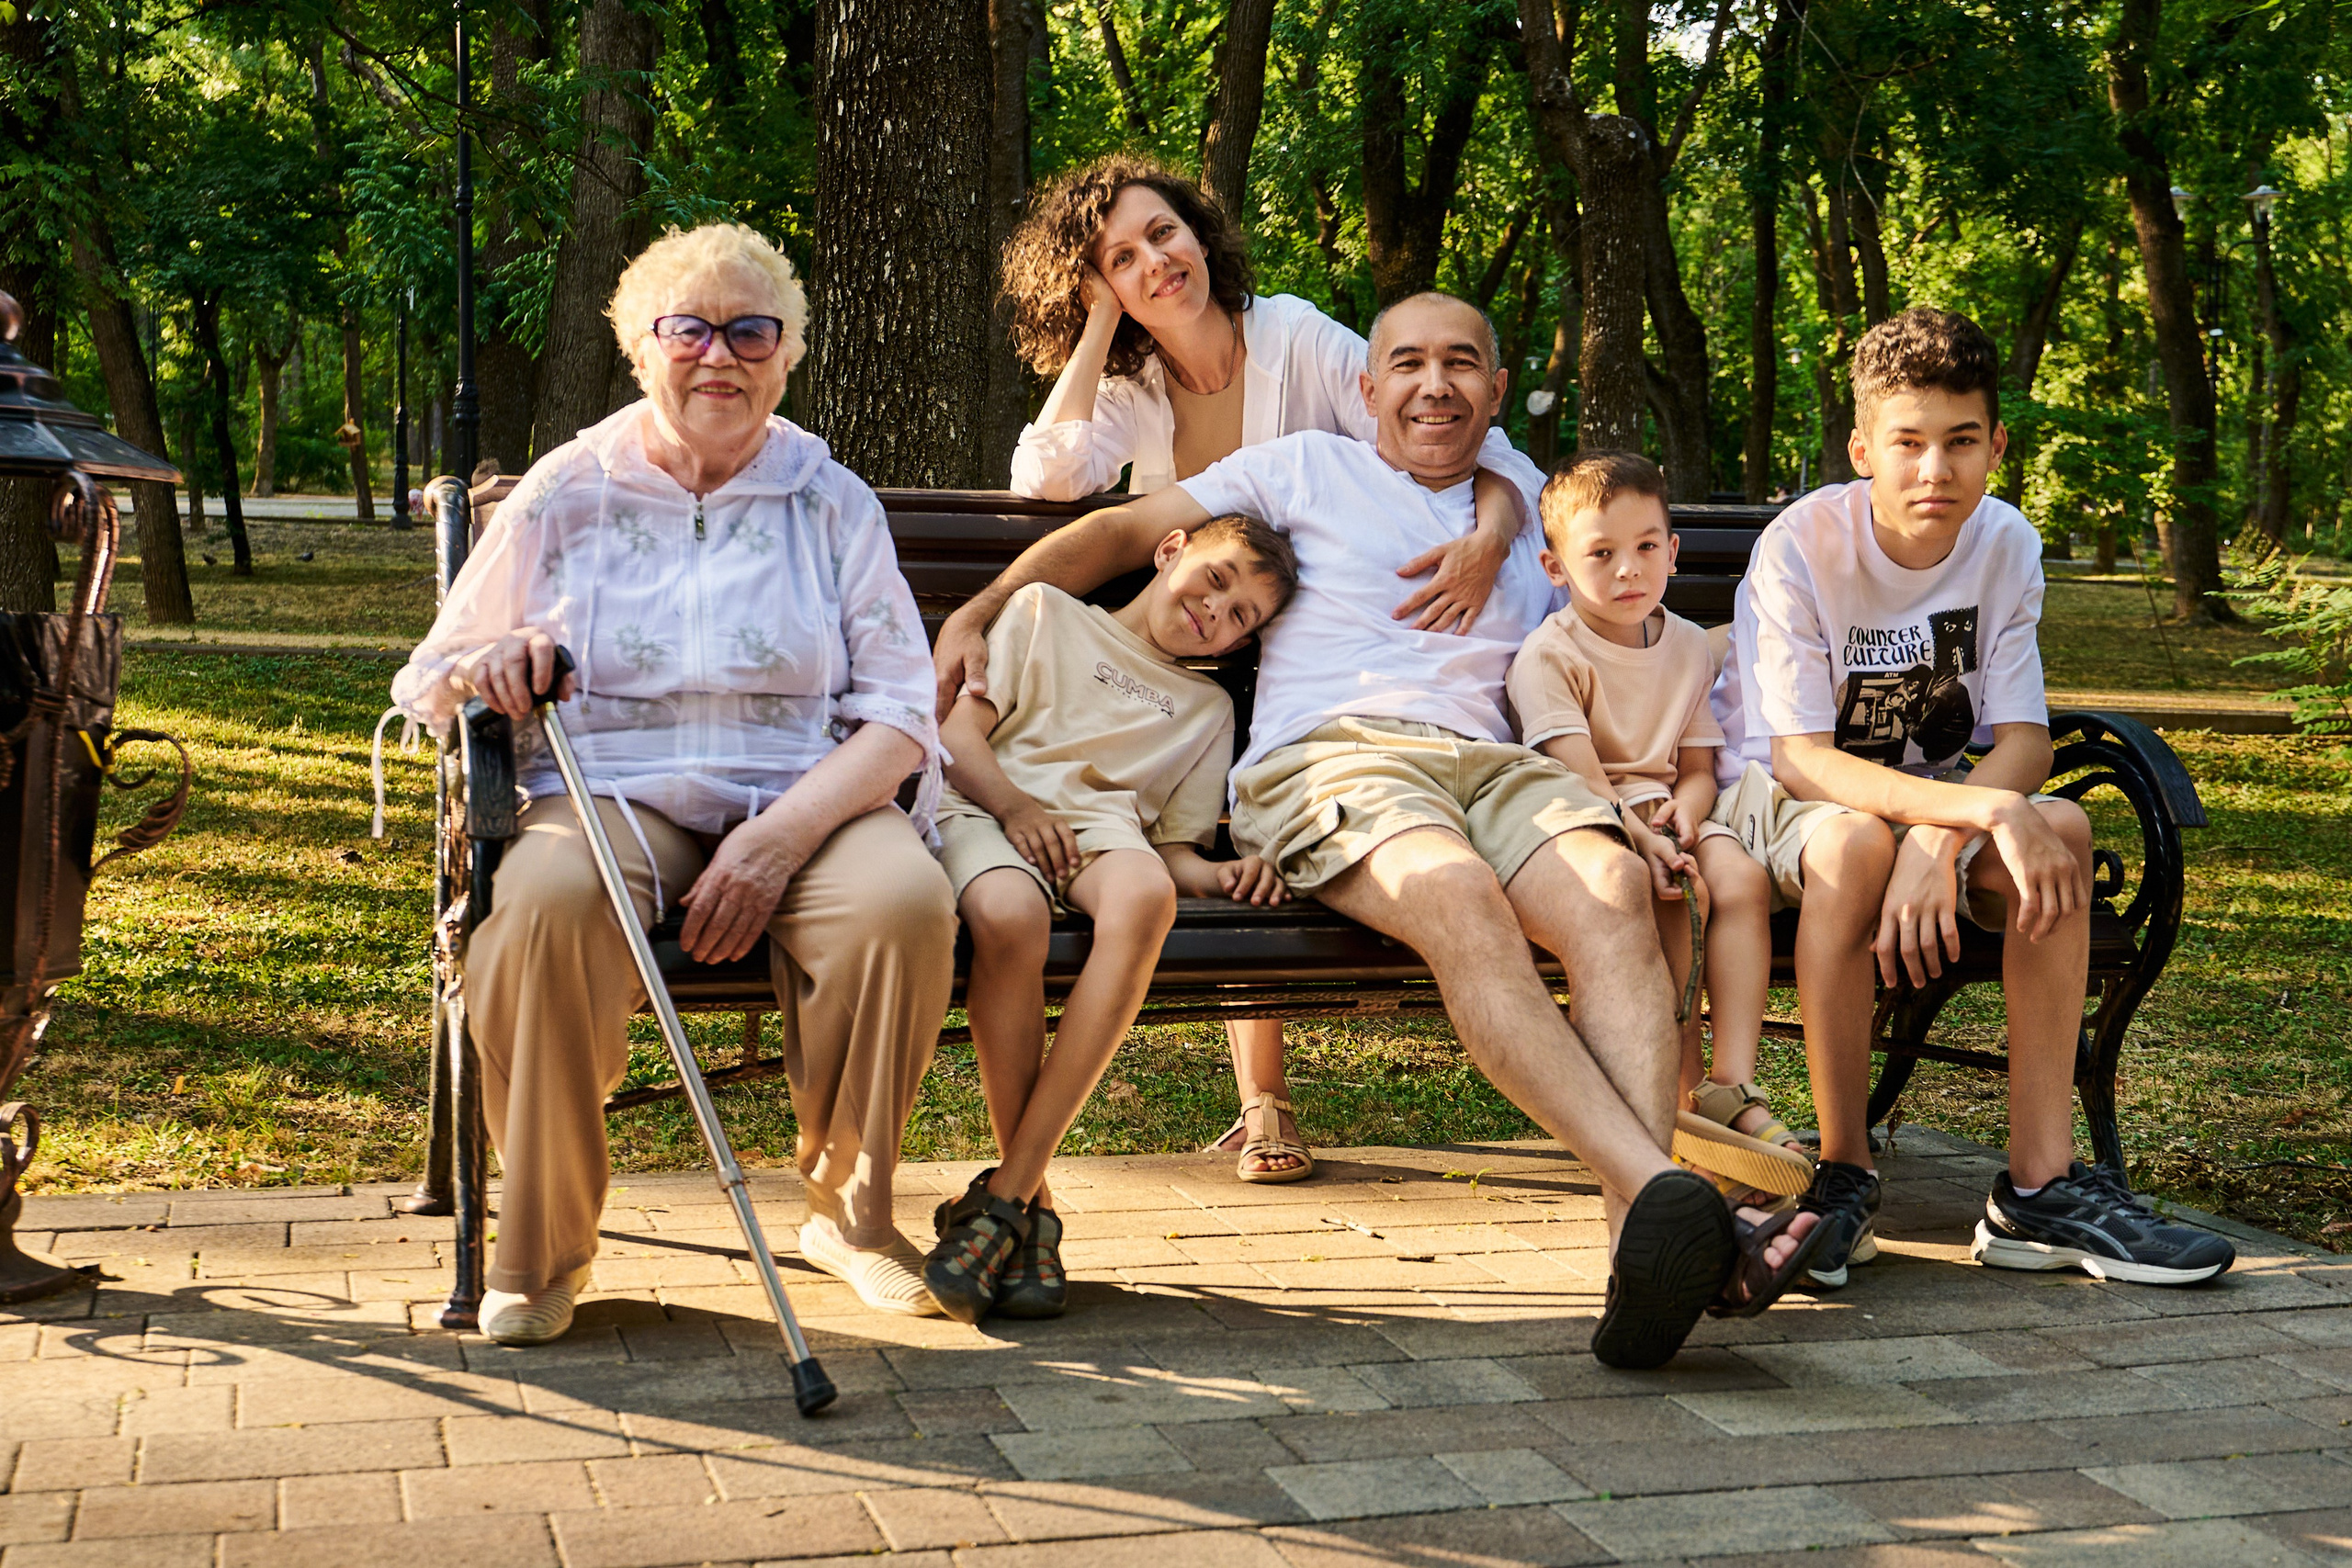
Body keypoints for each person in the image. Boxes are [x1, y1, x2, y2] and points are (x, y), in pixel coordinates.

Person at [936, 291, 1825, 1369]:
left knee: (1613, 891)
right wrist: (982, 608)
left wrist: (1657, 785)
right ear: (1367, 388)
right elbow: (1123, 530)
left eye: (1460, 364)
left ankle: (1638, 1261)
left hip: (1496, 764)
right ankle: (1661, 1200)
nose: (1432, 385)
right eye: (1406, 363)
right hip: (1337, 757)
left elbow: (1631, 627)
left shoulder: (1530, 511)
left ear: (1496, 391)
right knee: (1454, 892)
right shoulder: (1306, 467)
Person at [390, 223, 960, 1343]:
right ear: (638, 348)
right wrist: (496, 661)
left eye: (752, 332)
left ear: (787, 353)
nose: (720, 357)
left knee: (901, 903)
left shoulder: (828, 498)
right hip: (611, 792)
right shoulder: (567, 489)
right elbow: (434, 674)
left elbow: (901, 713)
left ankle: (852, 1219)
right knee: (537, 915)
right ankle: (543, 1250)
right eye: (689, 330)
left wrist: (776, 840)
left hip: (806, 794)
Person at [986, 152, 1533, 1185]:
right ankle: (1259, 1097)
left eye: (1163, 234)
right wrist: (1099, 327)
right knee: (1217, 789)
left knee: (1260, 779)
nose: (1154, 263)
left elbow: (1452, 435)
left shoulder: (1295, 336)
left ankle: (1264, 1096)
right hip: (1192, 638)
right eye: (1119, 259)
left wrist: (1493, 535)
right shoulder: (1131, 386)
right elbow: (1046, 475)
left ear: (1200, 233)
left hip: (1307, 632)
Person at [1713, 305, 2235, 1288]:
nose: (1934, 470)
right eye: (1907, 443)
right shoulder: (1802, 546)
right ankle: (1843, 1171)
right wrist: (1970, 815)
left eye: (1961, 442)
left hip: (1924, 802)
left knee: (2062, 831)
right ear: (1862, 451)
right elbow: (1802, 762)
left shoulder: (2004, 542)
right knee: (1863, 842)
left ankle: (2037, 1189)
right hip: (1782, 804)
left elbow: (2026, 742)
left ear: (1995, 446)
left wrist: (1937, 838)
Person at [927, 517, 1299, 1322]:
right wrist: (1017, 808)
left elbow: (1172, 851)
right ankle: (1032, 1208)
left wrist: (1220, 873)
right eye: (1217, 579)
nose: (1218, 610)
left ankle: (1002, 1200)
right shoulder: (1043, 612)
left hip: (1099, 838)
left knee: (1145, 894)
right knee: (1010, 912)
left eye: (1241, 616)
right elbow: (957, 735)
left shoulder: (1206, 708)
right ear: (1170, 550)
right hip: (988, 804)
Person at [1506, 451, 1811, 1202]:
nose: (1628, 569)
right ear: (1555, 567)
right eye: (1600, 554)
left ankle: (1730, 1086)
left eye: (1646, 546)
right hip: (1591, 818)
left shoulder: (1685, 646)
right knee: (1678, 896)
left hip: (1672, 811)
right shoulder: (1550, 656)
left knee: (1739, 878)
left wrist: (1689, 812)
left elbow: (1698, 766)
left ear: (1672, 551)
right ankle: (1674, 1109)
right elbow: (1578, 777)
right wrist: (1644, 834)